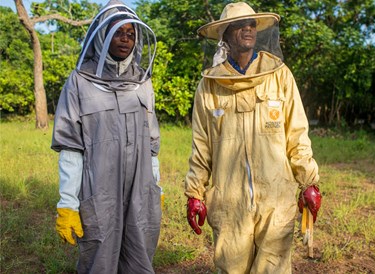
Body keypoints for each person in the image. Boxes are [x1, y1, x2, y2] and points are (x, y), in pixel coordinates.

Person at [184, 2, 322, 273]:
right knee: (231, 268)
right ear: (224, 34)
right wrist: (194, 193)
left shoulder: (279, 75)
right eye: (238, 25)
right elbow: (201, 144)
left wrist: (309, 182)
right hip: (229, 200)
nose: (247, 29)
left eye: (251, 24)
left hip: (275, 196)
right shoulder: (210, 85)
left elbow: (297, 133)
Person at [51, 1, 161, 272]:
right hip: (99, 191)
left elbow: (151, 146)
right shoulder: (79, 81)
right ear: (102, 35)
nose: (126, 39)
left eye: (131, 33)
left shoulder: (143, 83)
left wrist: (155, 188)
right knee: (99, 260)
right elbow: (70, 147)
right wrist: (67, 202)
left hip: (139, 190)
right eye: (118, 32)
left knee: (139, 256)